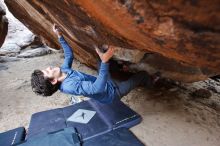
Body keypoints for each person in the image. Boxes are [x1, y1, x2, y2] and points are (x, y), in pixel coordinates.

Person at [31, 24, 158, 104]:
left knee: (102, 61)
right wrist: (104, 61)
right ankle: (151, 84)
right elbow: (97, 88)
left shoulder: (63, 71)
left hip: (106, 83)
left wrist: (60, 36)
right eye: (47, 71)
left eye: (45, 69)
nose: (48, 67)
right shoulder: (70, 86)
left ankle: (121, 68)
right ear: (53, 81)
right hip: (112, 94)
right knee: (141, 75)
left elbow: (69, 54)